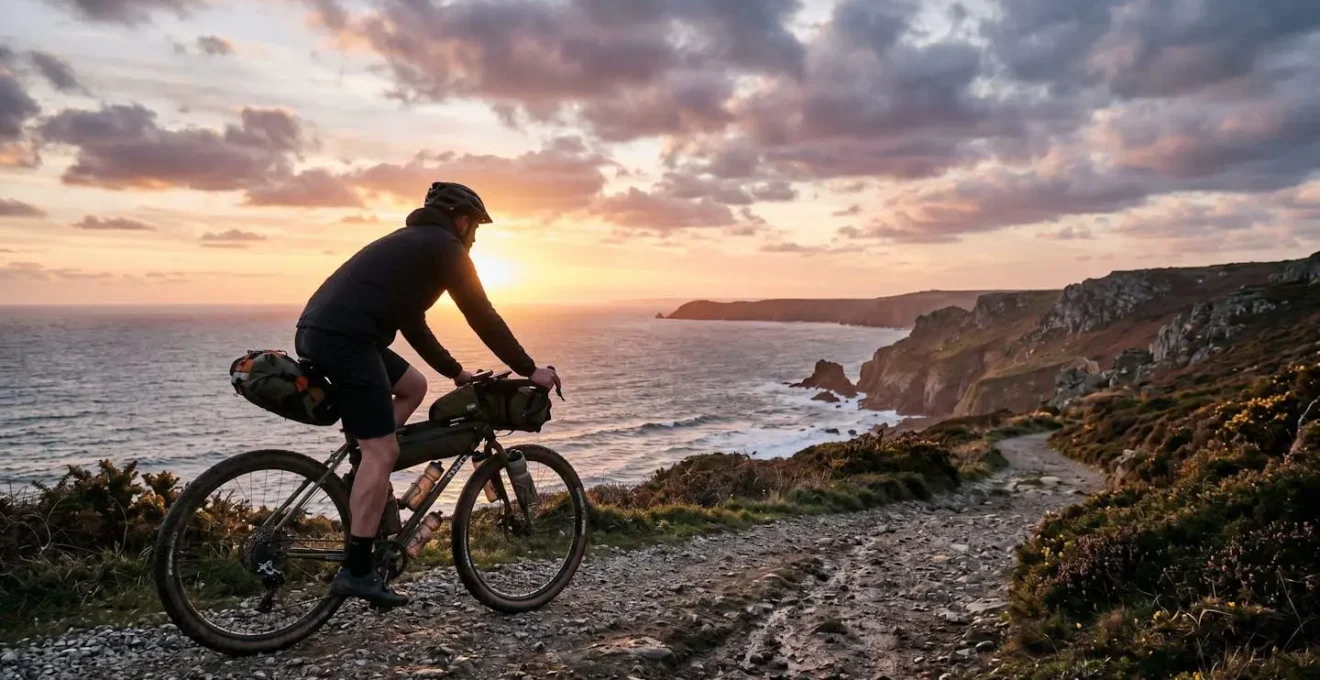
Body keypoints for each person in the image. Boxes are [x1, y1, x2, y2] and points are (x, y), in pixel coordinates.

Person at [294, 182, 561, 607]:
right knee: (382, 450)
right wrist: (531, 369)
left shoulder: (411, 245)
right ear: (463, 220)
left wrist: (454, 372)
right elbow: (482, 315)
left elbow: (412, 323)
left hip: (321, 332)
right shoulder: (445, 248)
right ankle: (357, 570)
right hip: (346, 340)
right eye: (475, 228)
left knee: (412, 387)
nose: (474, 238)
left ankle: (365, 464)